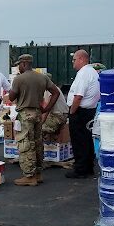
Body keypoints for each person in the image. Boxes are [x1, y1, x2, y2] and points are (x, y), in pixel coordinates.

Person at [8, 54, 59, 186]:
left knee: (25, 143)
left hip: (25, 114)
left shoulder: (19, 79)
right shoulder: (42, 77)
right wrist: (47, 108)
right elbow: (56, 92)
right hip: (37, 113)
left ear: (24, 64)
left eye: (19, 65)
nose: (18, 67)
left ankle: (29, 176)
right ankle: (38, 173)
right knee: (37, 143)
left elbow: (11, 97)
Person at [66, 50, 100, 179]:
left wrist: (72, 111)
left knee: (79, 141)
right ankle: (88, 166)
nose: (73, 63)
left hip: (80, 111)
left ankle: (80, 169)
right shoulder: (92, 72)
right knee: (87, 140)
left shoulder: (83, 73)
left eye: (74, 60)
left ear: (81, 59)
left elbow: (78, 96)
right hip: (89, 110)